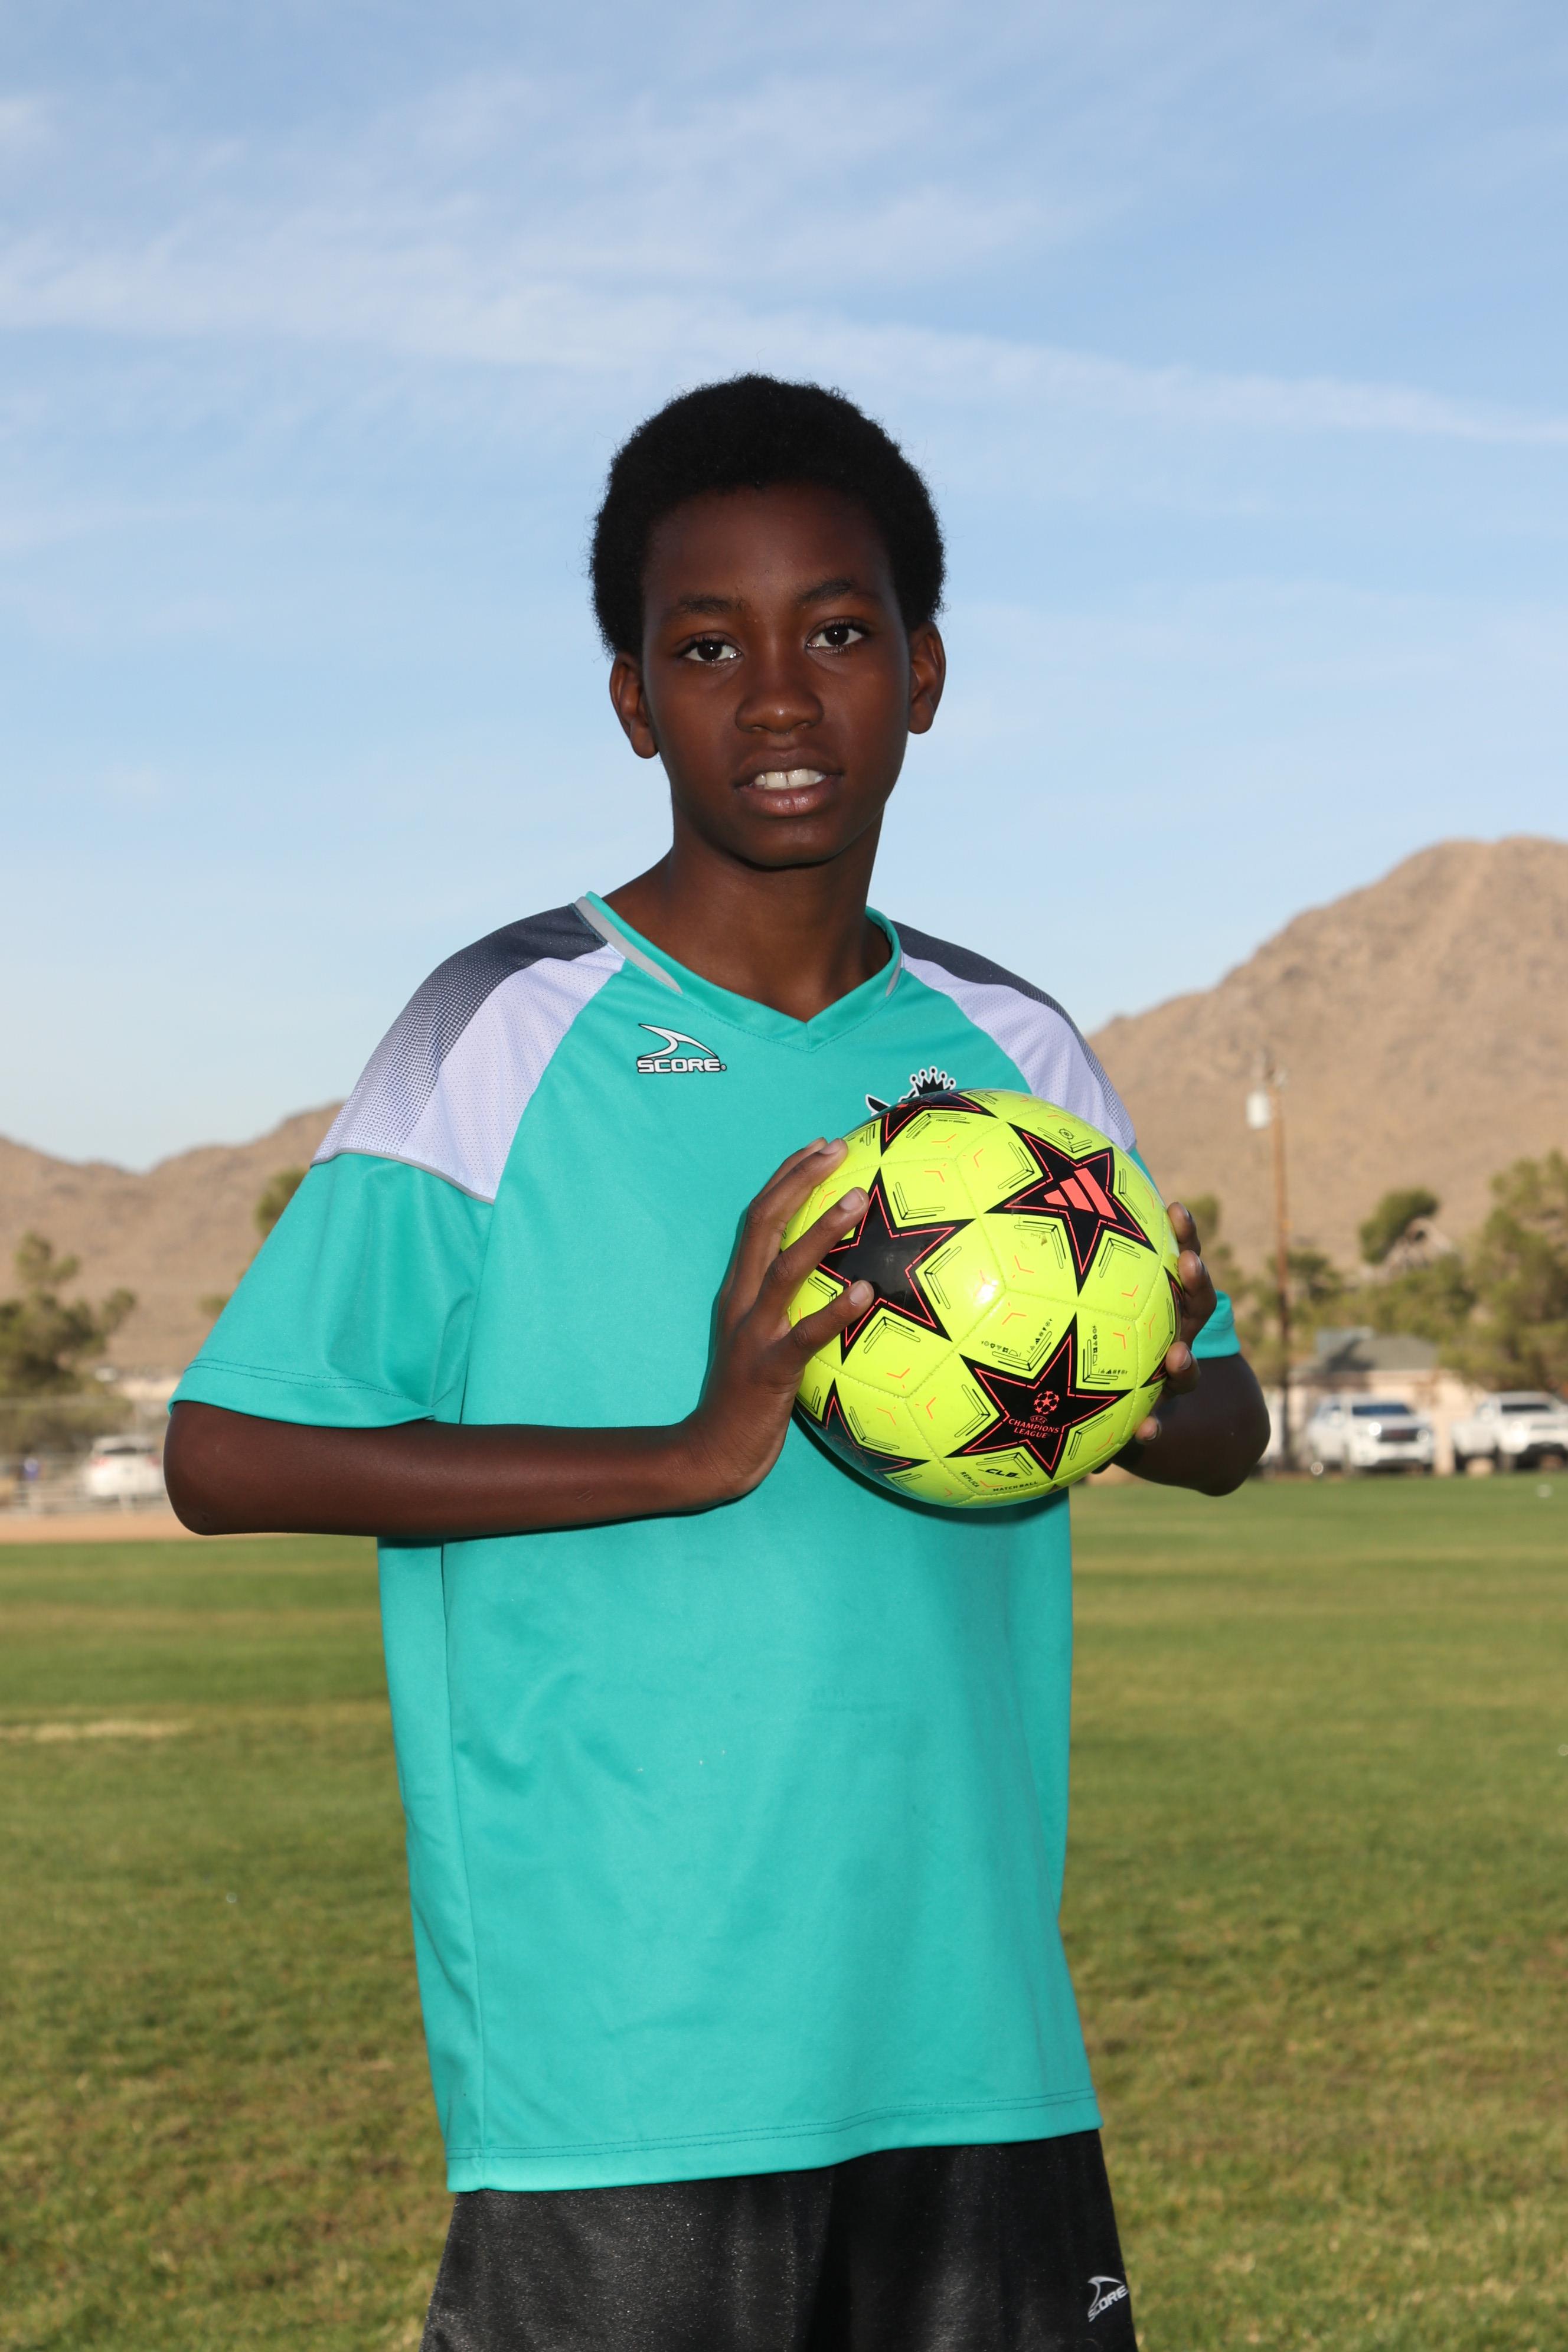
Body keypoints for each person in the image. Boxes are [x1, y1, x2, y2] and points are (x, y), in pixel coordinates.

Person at [165, 375, 1269, 2351]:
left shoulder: (1015, 1057)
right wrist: (687, 1448)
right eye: (707, 647)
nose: (776, 699)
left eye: (836, 633)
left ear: (924, 675)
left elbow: (1229, 1422)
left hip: (972, 2029)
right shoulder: (500, 1028)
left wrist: (1144, 1385)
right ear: (631, 699)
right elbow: (230, 1452)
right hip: (627, 2053)